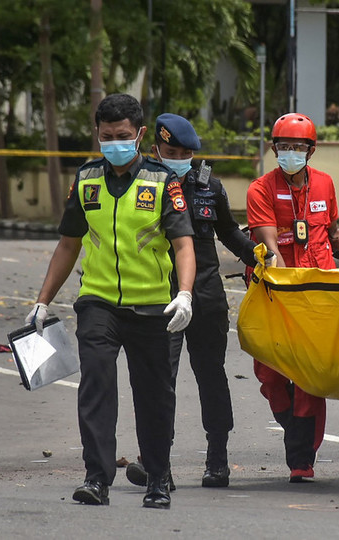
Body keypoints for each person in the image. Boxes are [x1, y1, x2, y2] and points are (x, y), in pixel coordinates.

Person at [24, 94, 196, 509]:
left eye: (122, 136)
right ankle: (97, 479)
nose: (114, 142)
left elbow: (183, 245)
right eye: (106, 136)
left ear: (139, 135)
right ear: (97, 135)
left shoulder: (162, 181)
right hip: (98, 303)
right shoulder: (86, 180)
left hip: (153, 306)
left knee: (154, 395)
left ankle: (157, 478)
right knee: (96, 388)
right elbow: (68, 244)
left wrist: (185, 295)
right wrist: (43, 301)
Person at [123, 113, 261, 490]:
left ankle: (218, 459)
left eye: (185, 152)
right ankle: (157, 465)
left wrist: (259, 256)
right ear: (156, 150)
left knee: (211, 377)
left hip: (206, 296)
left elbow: (230, 232)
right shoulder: (141, 184)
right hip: (158, 298)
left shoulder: (208, 186)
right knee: (159, 380)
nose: (179, 157)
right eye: (171, 151)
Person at [246, 112, 339, 483]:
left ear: (311, 150)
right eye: (284, 146)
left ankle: (301, 458)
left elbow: (334, 237)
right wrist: (275, 268)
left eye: (298, 147)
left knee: (310, 375)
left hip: (321, 293)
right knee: (271, 375)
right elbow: (267, 240)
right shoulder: (260, 188)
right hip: (276, 294)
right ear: (274, 149)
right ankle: (295, 432)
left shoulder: (323, 184)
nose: (290, 152)